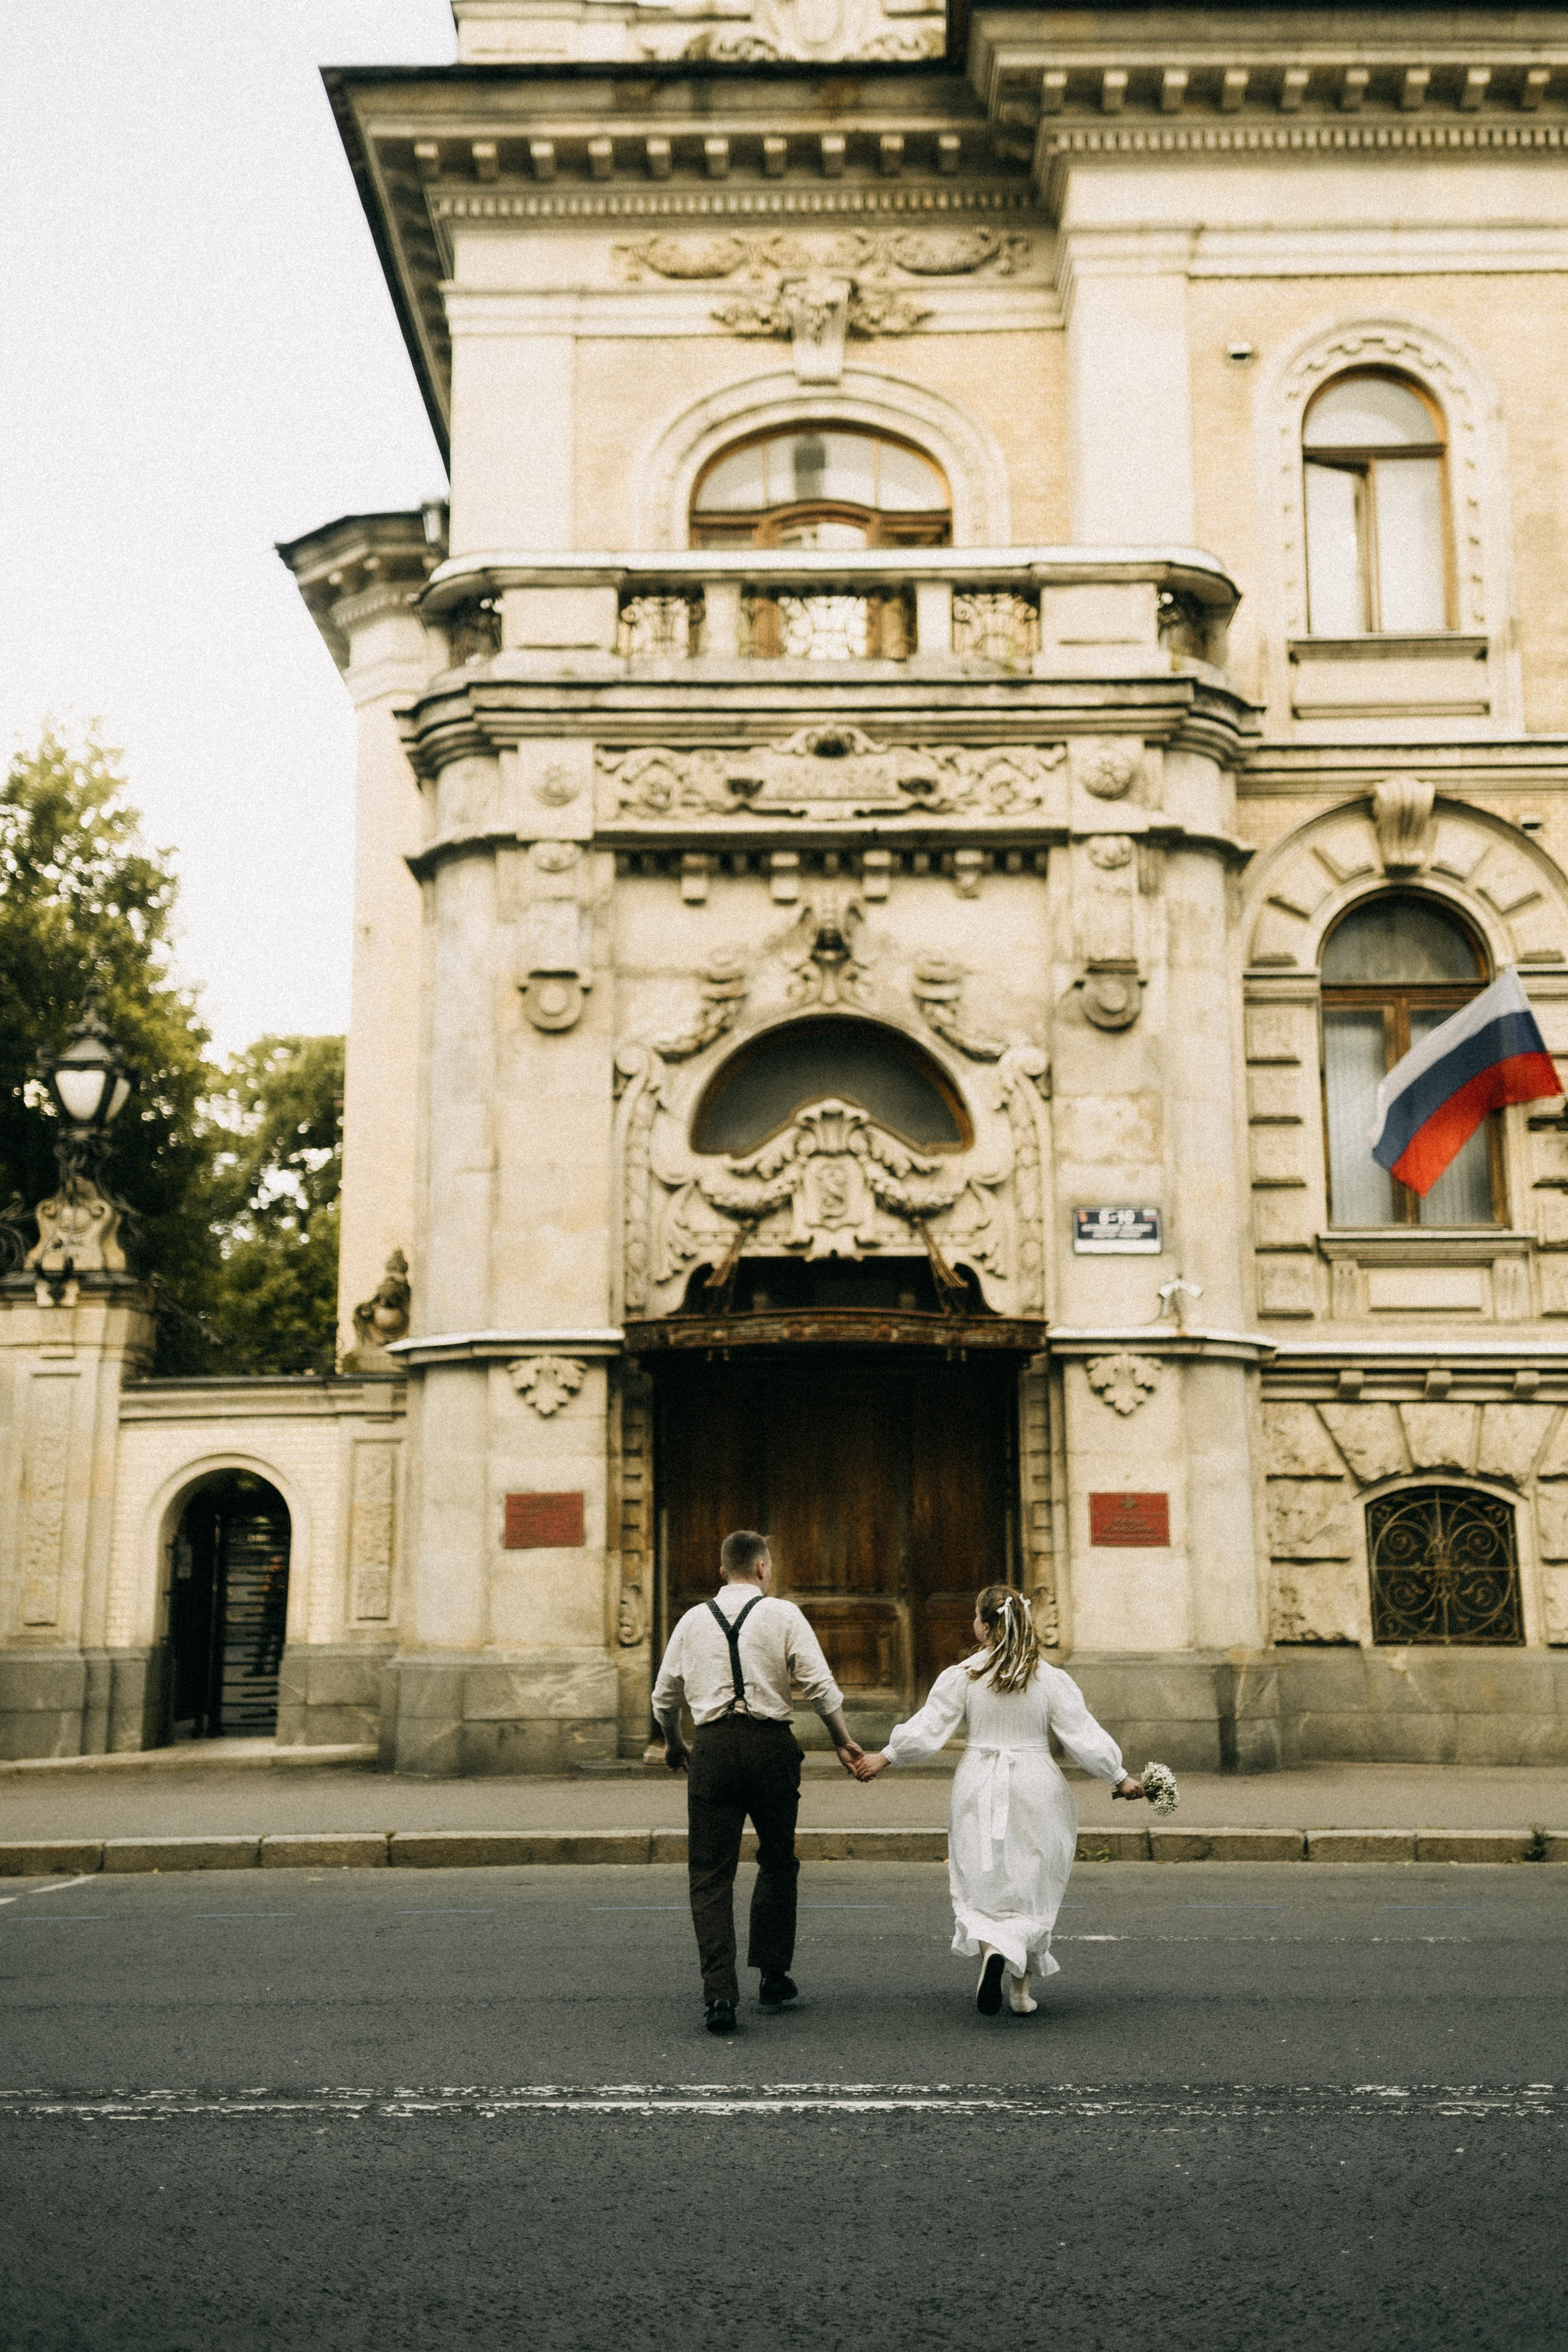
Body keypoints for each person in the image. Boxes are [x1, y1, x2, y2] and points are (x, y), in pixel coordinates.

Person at [854, 1584, 1144, 2015]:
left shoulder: (966, 1675)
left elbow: (930, 1726)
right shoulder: (1048, 1679)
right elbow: (1083, 1735)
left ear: (986, 1628)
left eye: (975, 1617)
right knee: (1031, 1880)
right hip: (1036, 1783)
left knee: (984, 1875)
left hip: (979, 1781)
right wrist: (1119, 1776)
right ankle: (1021, 1994)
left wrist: (886, 1757)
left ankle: (993, 1950)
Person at [652, 1529, 865, 2036]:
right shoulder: (783, 1615)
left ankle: (720, 1996)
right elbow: (819, 1684)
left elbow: (664, 1697)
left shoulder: (691, 1620)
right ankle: (773, 1974)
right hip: (772, 1748)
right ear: (763, 1569)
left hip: (715, 1749)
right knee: (776, 1859)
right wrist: (842, 1740)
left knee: (710, 1874)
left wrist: (675, 1744)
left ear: (722, 1572)